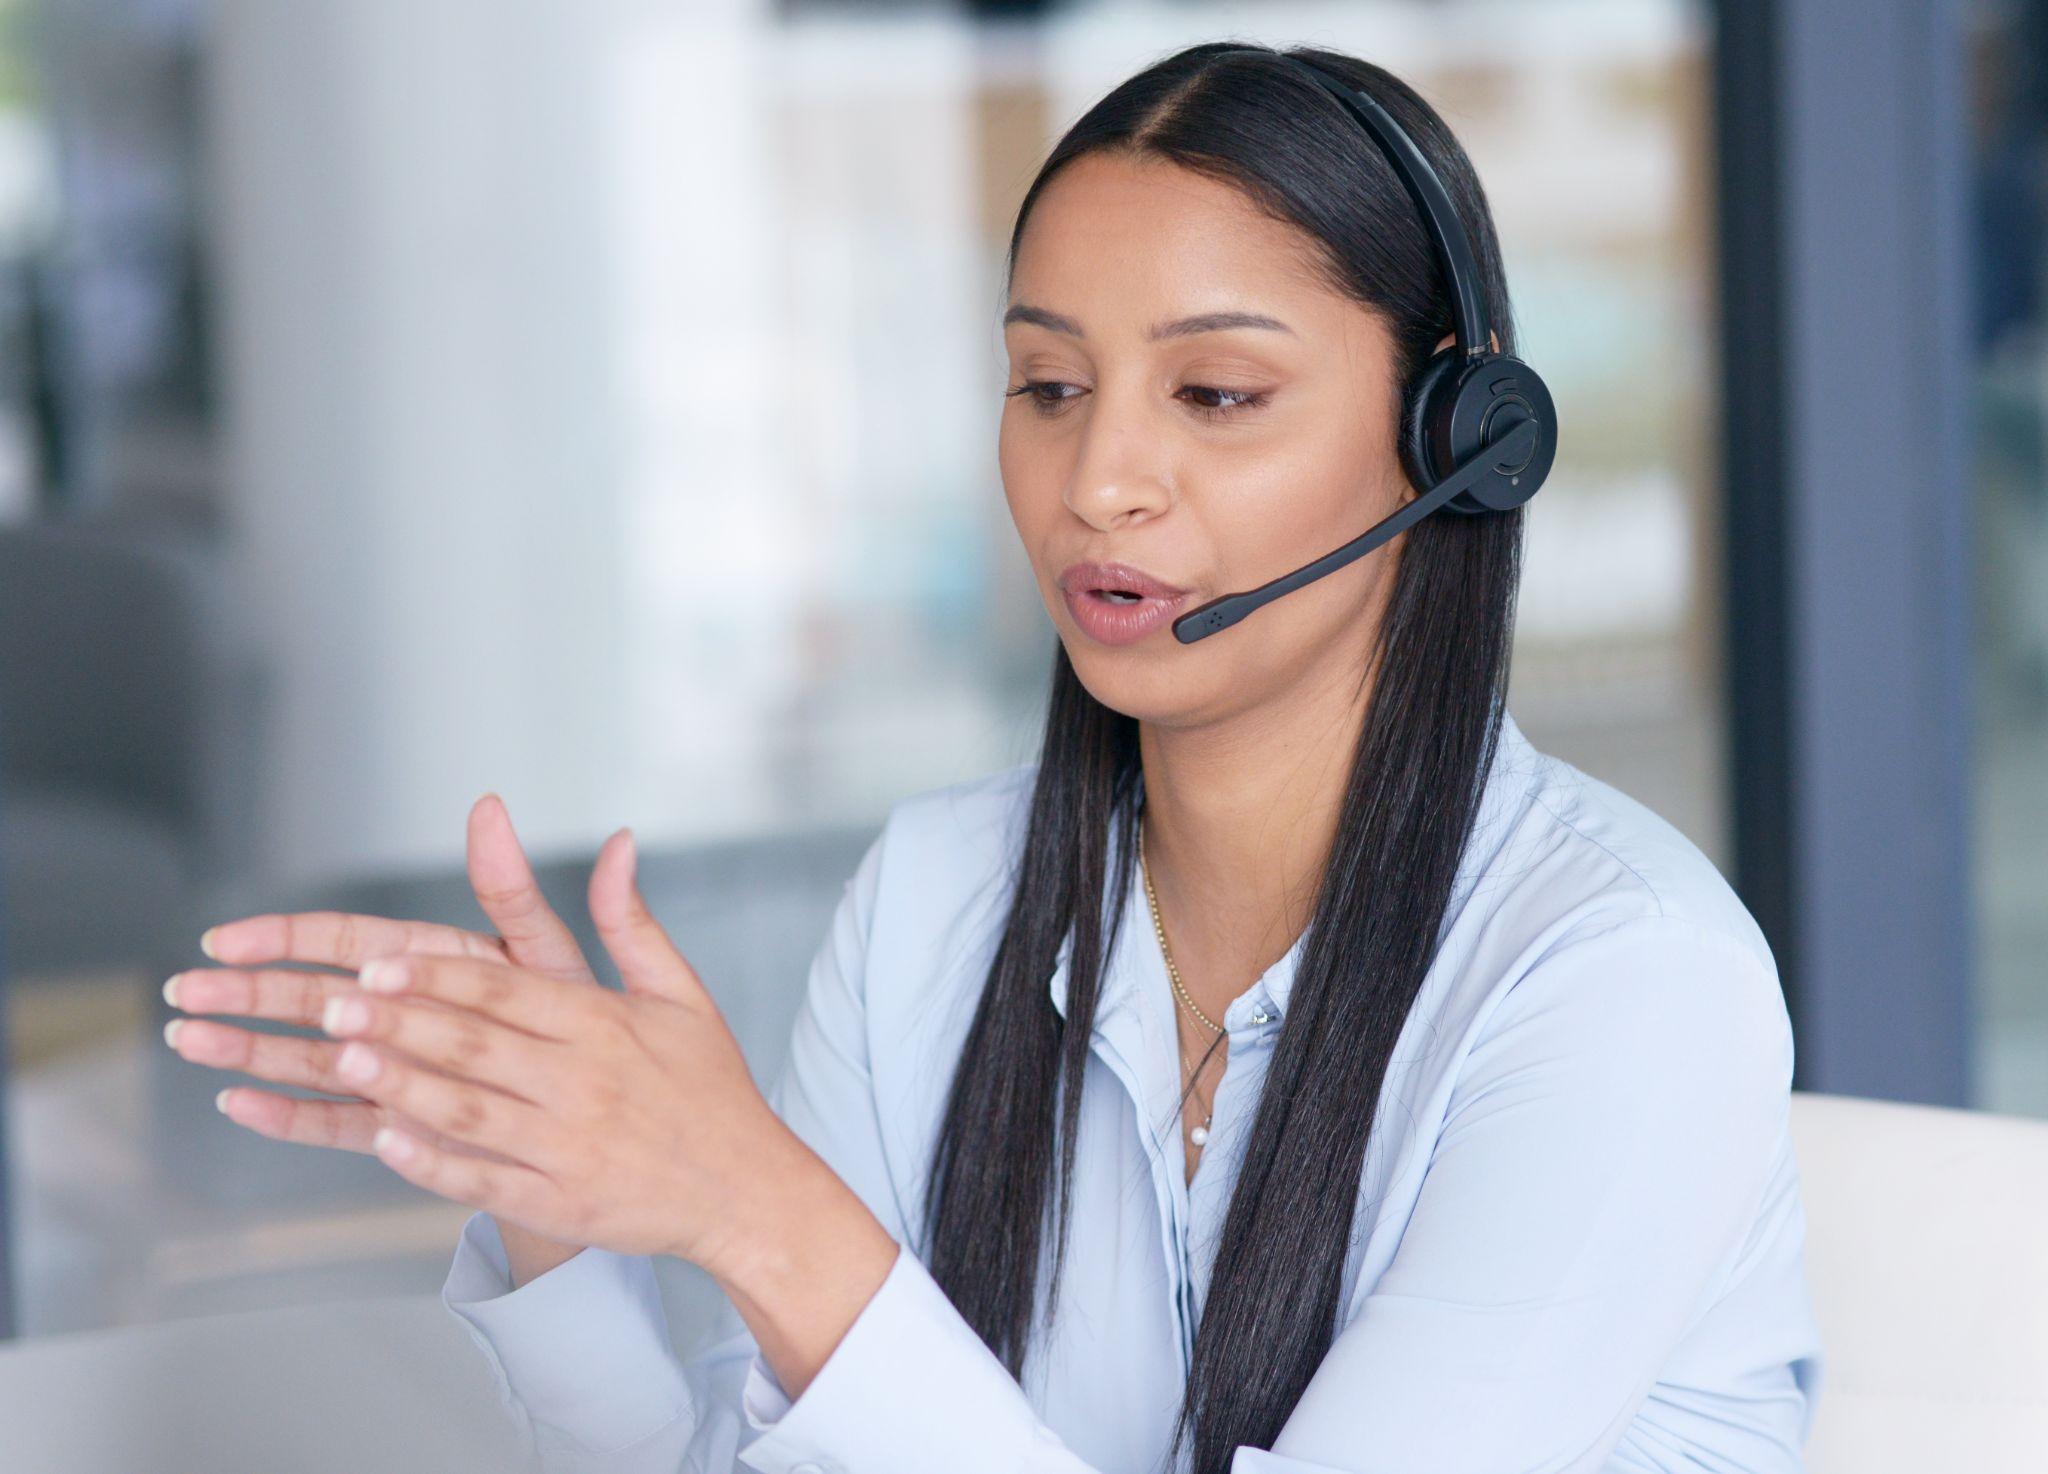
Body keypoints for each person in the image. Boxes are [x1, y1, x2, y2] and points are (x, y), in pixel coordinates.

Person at [164, 40, 1825, 1474]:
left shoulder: (1619, 979)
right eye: (1047, 384)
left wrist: (755, 1203)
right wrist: (565, 1187)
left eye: (1220, 393)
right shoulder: (937, 899)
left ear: (1458, 442)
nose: (1100, 478)